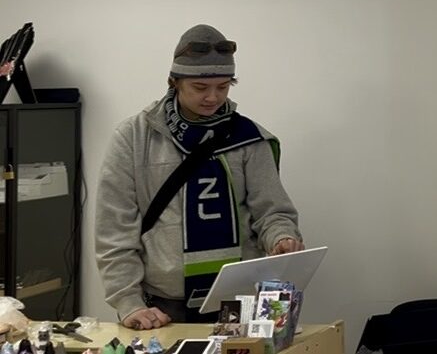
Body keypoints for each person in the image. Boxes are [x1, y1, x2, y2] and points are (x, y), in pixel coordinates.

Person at [96, 24, 303, 329]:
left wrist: (282, 237)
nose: (213, 97)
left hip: (238, 302)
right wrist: (128, 303)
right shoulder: (133, 137)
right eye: (200, 88)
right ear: (174, 82)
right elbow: (114, 231)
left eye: (223, 87)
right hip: (162, 308)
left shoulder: (248, 137)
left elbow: (271, 213)